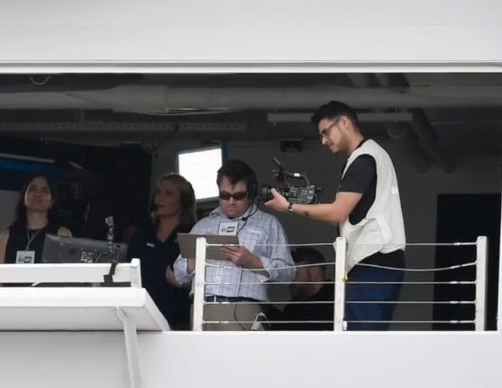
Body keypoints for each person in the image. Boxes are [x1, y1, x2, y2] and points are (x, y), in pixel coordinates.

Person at [263, 101, 407, 331]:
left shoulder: (364, 157)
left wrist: (289, 207)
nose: (323, 141)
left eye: (325, 132)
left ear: (345, 122)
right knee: (361, 334)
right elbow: (338, 216)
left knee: (363, 337)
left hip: (374, 258)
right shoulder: (368, 156)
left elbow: (337, 211)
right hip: (373, 259)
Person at [168, 159, 294, 331]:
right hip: (201, 307)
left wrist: (252, 261)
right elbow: (179, 276)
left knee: (240, 358)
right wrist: (193, 261)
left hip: (244, 306)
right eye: (225, 195)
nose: (231, 201)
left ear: (251, 193)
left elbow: (289, 273)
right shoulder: (203, 225)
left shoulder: (269, 224)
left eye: (239, 196)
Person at [125, 174, 195, 329]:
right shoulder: (142, 234)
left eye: (168, 193)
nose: (160, 198)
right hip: (141, 317)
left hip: (179, 320)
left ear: (183, 201)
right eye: (158, 192)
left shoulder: (191, 233)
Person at [0, 175, 71, 263]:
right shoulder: (6, 236)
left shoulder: (61, 235)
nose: (37, 194)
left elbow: (65, 273)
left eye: (44, 190)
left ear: (52, 201)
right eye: (32, 189)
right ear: (24, 197)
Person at [269, 247, 336, 331]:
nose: (291, 279)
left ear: (315, 272)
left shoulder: (336, 299)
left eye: (295, 273)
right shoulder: (293, 308)